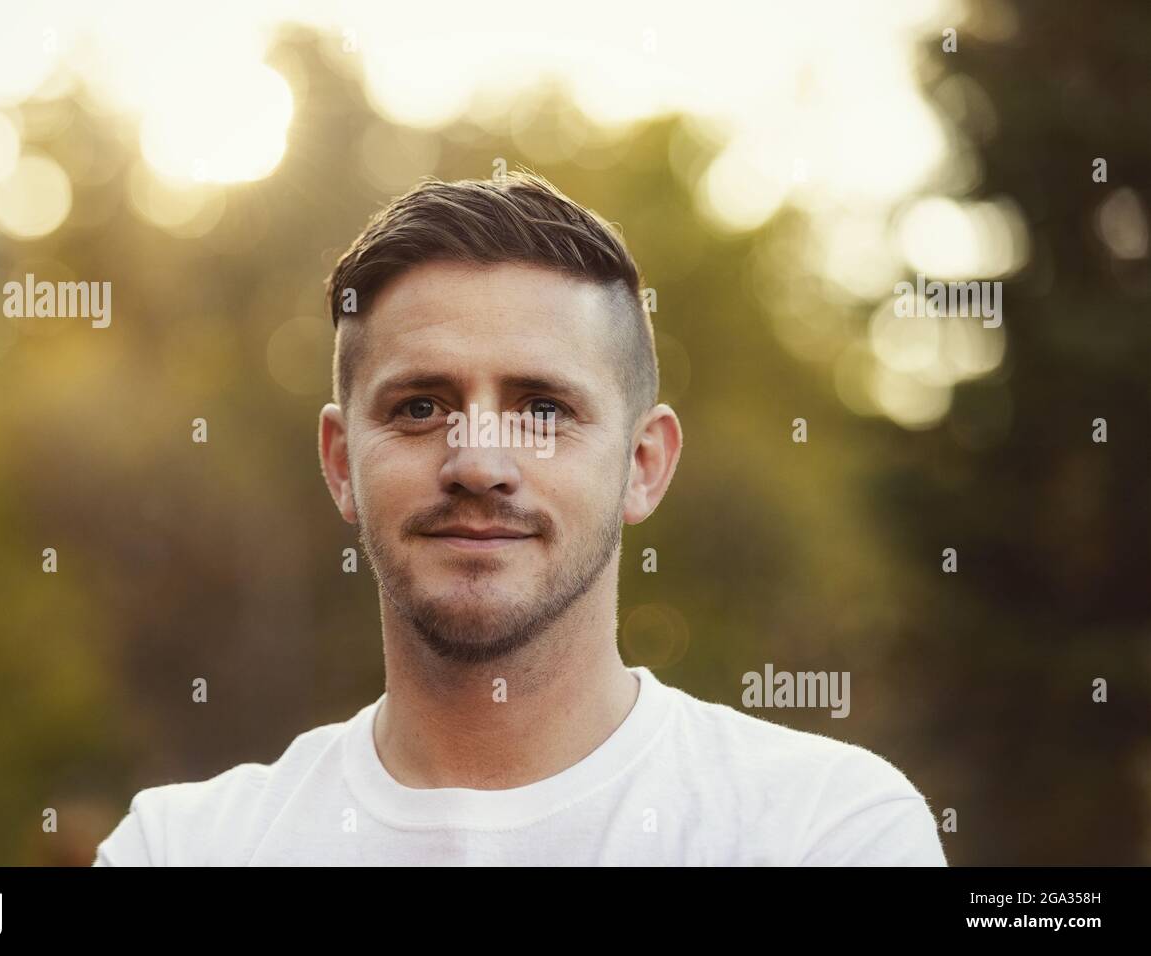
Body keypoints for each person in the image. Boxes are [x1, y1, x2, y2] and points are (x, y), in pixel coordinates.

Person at [94, 173, 947, 866]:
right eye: (421, 405)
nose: (479, 463)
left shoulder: (823, 832)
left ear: (643, 465)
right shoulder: (180, 849)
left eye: (542, 408)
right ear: (341, 462)